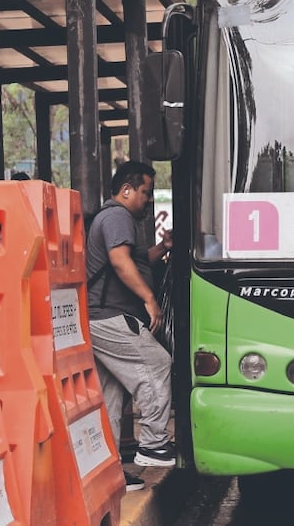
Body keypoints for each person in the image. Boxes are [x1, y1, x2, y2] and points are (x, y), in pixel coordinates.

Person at [86, 161, 175, 491]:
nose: (148, 199)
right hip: (110, 316)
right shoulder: (116, 216)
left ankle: (109, 470)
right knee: (157, 365)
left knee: (110, 397)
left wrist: (163, 248)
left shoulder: (115, 220)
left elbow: (136, 259)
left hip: (100, 316)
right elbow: (120, 263)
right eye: (145, 192)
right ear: (126, 190)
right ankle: (152, 444)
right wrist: (150, 299)